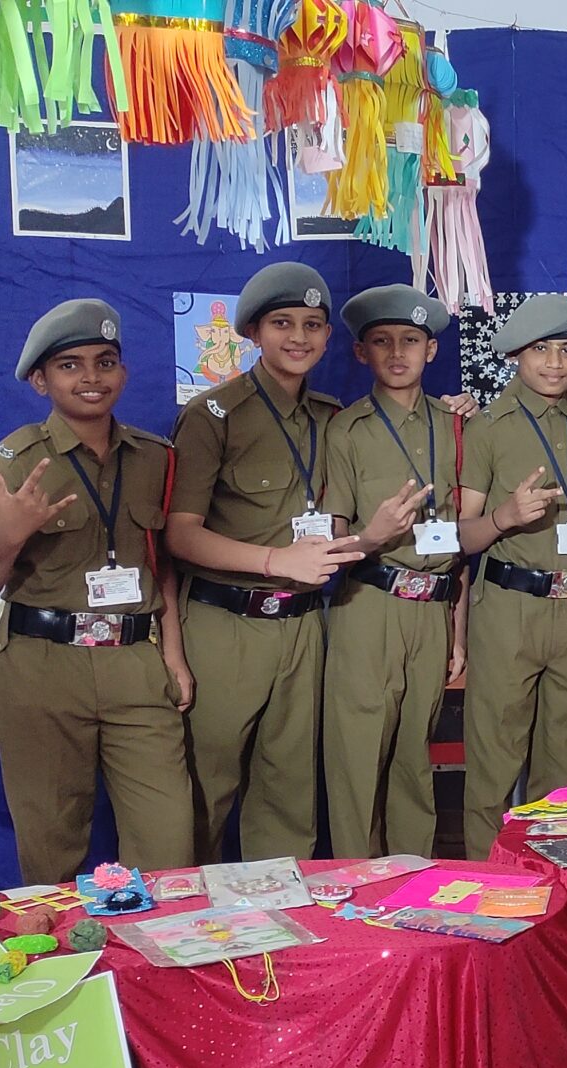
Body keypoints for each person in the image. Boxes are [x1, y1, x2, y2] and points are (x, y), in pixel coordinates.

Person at [0, 299, 192, 884]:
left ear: (124, 372)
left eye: (105, 361)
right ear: (41, 380)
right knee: (51, 848)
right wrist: (8, 536)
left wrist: (174, 655)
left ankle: (151, 946)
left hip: (135, 664)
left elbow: (160, 563)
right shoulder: (16, 462)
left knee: (168, 846)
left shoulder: (156, 458)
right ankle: (65, 944)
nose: (91, 377)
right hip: (43, 668)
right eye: (69, 365)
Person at [168, 262, 368, 861]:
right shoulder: (213, 416)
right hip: (227, 624)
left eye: (312, 324)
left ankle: (279, 915)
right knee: (204, 790)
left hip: (303, 625)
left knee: (289, 795)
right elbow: (180, 535)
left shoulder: (333, 418)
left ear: (328, 336)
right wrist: (277, 559)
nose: (299, 337)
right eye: (282, 323)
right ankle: (192, 913)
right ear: (252, 332)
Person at [455, 295, 567, 856]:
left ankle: (553, 879)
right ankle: (487, 879)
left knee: (563, 764)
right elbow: (459, 536)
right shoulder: (487, 428)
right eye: (541, 349)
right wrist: (505, 517)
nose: (554, 362)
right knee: (494, 761)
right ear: (516, 355)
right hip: (509, 609)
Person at [320, 285, 466, 858]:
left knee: (414, 759)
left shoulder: (458, 425)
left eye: (410, 340)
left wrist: (458, 631)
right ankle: (357, 880)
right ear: (362, 353)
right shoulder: (346, 431)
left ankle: (412, 880)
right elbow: (333, 537)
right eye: (382, 341)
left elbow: (466, 542)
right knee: (358, 757)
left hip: (434, 610)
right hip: (370, 603)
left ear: (431, 350)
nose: (398, 352)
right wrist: (372, 535)